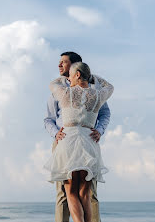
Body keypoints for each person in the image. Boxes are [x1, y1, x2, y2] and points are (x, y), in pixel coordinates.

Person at [44, 52, 111, 222]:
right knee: (78, 193)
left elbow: (105, 114)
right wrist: (55, 133)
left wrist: (100, 130)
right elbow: (49, 119)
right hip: (72, 140)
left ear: (76, 69)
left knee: (73, 192)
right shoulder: (96, 92)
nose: (59, 66)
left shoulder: (63, 91)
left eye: (64, 63)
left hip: (71, 141)